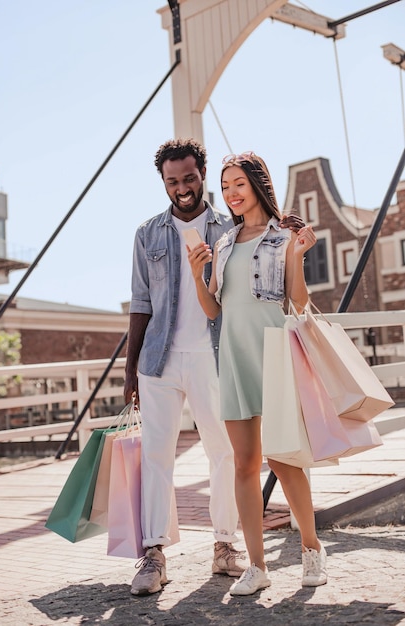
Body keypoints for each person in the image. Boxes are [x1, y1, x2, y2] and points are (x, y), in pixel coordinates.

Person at [124, 138, 303, 597]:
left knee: (224, 455)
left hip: (214, 353)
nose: (182, 188)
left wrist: (292, 234)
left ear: (202, 175)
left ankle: (225, 545)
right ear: (162, 182)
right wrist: (131, 371)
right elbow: (141, 304)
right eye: (172, 181)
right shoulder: (147, 233)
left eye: (189, 178)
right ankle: (154, 553)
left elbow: (268, 245)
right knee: (157, 457)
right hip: (158, 359)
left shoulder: (229, 227)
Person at [187, 151, 328, 596]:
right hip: (232, 358)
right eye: (225, 186)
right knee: (244, 466)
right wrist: (197, 275)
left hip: (273, 355)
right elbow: (215, 309)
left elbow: (299, 303)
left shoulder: (282, 237)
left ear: (256, 185)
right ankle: (258, 566)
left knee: (285, 462)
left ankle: (311, 550)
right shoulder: (225, 243)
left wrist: (300, 256)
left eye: (237, 185)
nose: (230, 194)